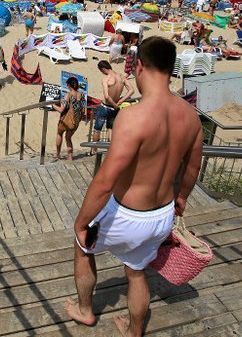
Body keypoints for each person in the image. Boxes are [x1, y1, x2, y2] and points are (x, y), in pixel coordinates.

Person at [67, 36, 203, 335]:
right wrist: (181, 199)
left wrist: (81, 222)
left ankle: (85, 310)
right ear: (171, 68)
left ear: (140, 66)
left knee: (82, 247)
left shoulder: (132, 116)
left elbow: (105, 181)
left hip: (126, 213)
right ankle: (134, 330)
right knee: (137, 272)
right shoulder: (191, 116)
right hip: (161, 215)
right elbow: (193, 168)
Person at [91, 61, 135, 152]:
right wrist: (120, 101)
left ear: (103, 69)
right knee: (111, 128)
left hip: (106, 106)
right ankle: (111, 150)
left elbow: (106, 96)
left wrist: (115, 104)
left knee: (97, 129)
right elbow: (131, 90)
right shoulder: (121, 77)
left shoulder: (106, 79)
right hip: (115, 108)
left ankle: (94, 151)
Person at [52, 76, 84, 161]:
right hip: (75, 122)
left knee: (59, 134)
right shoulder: (81, 95)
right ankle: (70, 156)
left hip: (66, 121)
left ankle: (58, 154)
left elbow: (61, 109)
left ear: (70, 86)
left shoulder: (68, 95)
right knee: (68, 138)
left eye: (67, 85)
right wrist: (78, 120)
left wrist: (53, 105)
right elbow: (83, 110)